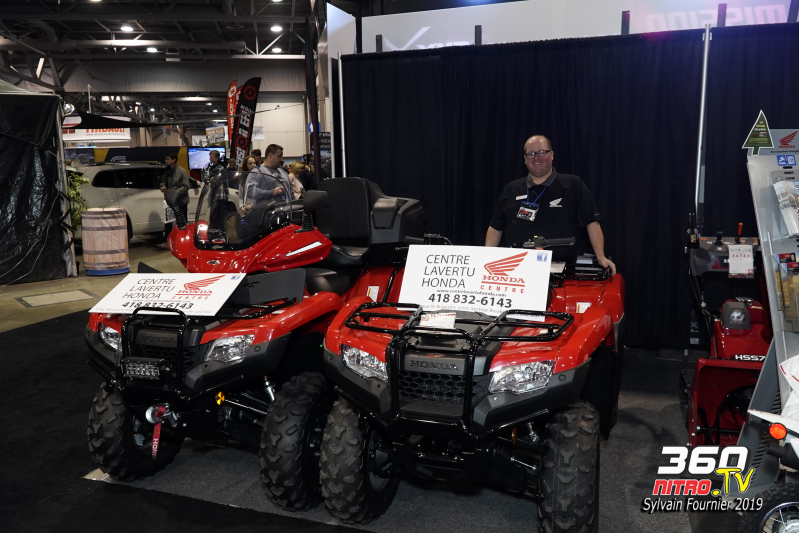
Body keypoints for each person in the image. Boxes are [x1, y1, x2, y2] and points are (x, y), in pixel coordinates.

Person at [485, 135, 616, 275]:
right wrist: (484, 258)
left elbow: (592, 222)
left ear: (552, 155)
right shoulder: (511, 190)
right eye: (531, 154)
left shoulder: (572, 185)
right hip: (516, 271)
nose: (536, 157)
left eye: (542, 152)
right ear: (525, 159)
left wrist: (600, 256)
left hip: (562, 271)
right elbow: (495, 228)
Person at [157, 152, 190, 250]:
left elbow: (186, 186)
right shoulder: (167, 171)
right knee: (168, 222)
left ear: (174, 159)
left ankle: (185, 242)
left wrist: (175, 192)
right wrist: (163, 188)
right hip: (169, 200)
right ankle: (167, 242)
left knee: (182, 222)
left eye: (168, 159)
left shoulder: (181, 171)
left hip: (180, 200)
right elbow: (163, 183)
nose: (166, 161)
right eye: (166, 159)